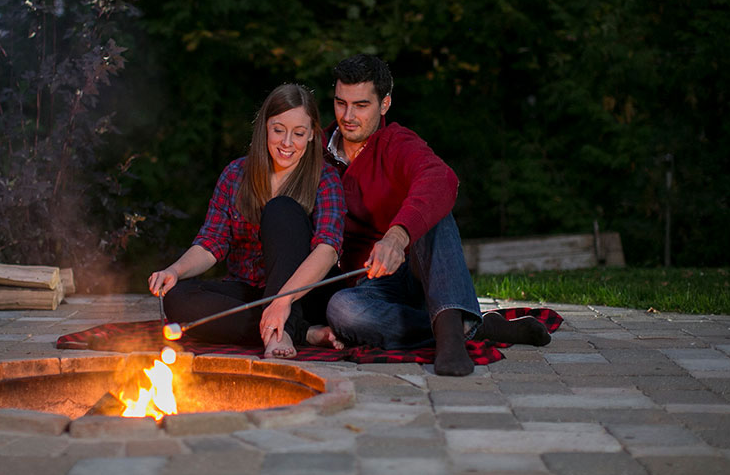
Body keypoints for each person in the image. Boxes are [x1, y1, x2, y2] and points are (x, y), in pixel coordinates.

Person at [318, 54, 550, 376]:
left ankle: (451, 342)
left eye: (361, 105)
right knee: (342, 311)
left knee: (433, 212)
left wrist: (398, 235)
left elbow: (442, 178)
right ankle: (467, 325)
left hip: (422, 270)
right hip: (372, 286)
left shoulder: (396, 142)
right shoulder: (317, 150)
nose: (348, 115)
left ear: (384, 104)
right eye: (340, 103)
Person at [148, 83, 346, 359]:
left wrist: (283, 300)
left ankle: (285, 326)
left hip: (303, 296)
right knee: (177, 299)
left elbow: (328, 250)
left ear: (312, 134)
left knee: (281, 210)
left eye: (298, 133)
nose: (287, 143)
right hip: (251, 293)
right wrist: (176, 270)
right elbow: (211, 243)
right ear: (264, 127)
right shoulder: (236, 174)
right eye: (278, 130)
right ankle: (301, 333)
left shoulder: (324, 179)